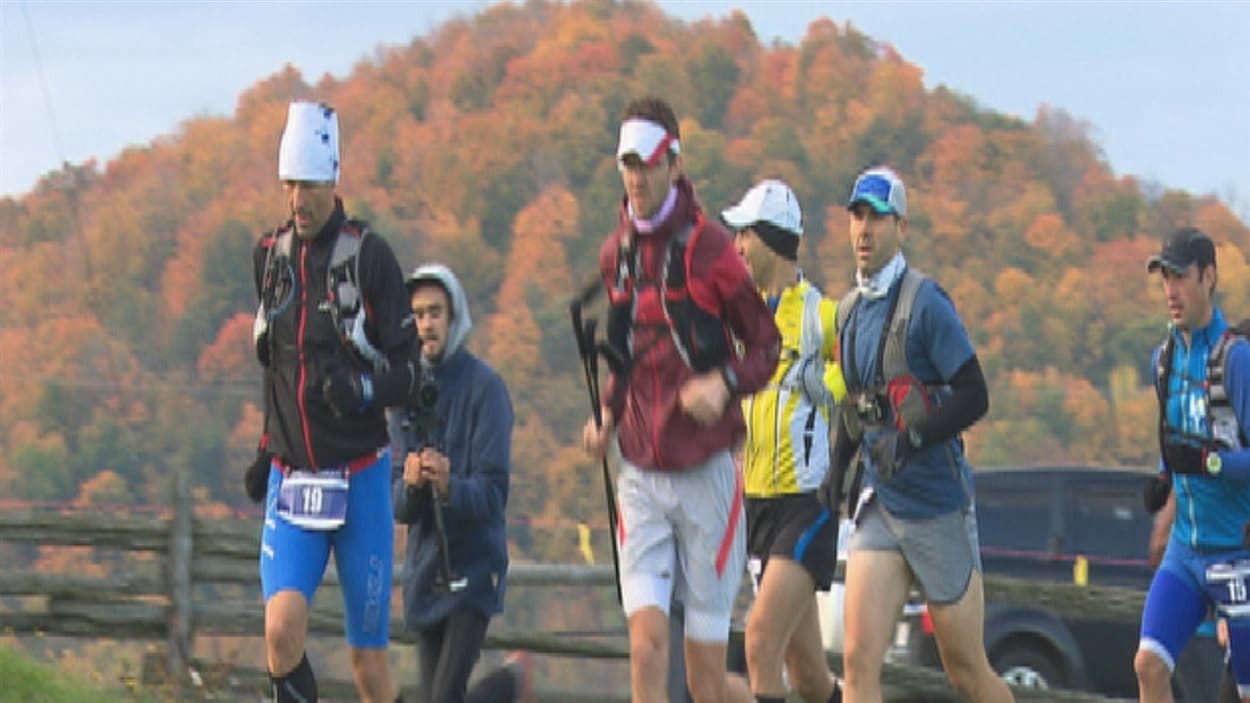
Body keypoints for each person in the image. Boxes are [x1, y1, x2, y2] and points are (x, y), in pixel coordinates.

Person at [581, 96, 781, 703]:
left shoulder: (713, 251)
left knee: (703, 676)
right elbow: (622, 354)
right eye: (626, 166)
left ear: (674, 163)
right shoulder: (616, 253)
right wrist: (608, 415)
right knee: (645, 646)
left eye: (645, 164)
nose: (635, 178)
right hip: (640, 474)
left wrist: (723, 384)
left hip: (707, 479)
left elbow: (766, 346)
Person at [247, 101, 419, 702]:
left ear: (334, 177)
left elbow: (412, 371)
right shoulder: (269, 259)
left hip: (359, 481)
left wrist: (362, 390)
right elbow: (277, 368)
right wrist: (266, 446)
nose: (299, 198)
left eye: (311, 183)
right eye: (290, 183)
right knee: (280, 629)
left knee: (368, 664)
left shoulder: (369, 257)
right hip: (292, 480)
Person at [821, 166, 1013, 703]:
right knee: (858, 663)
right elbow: (854, 407)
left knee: (966, 672)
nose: (864, 229)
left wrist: (913, 439)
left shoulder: (927, 303)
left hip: (936, 503)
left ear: (901, 227)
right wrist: (836, 474)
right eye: (856, 217)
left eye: (877, 219)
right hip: (880, 503)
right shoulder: (846, 312)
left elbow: (975, 394)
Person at [721, 179, 845, 703]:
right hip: (757, 505)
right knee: (810, 675)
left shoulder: (822, 314)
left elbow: (860, 376)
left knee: (759, 642)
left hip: (806, 501)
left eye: (743, 235)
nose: (736, 248)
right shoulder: (742, 319)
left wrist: (821, 385)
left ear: (768, 239)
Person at [388, 263, 524, 703]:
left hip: (474, 566)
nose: (426, 324)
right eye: (419, 315)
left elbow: (493, 494)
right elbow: (395, 504)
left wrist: (449, 485)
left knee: (444, 698)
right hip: (426, 571)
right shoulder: (404, 392)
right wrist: (410, 485)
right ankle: (509, 686)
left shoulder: (485, 389)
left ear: (453, 318)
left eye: (435, 313)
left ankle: (509, 685)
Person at [1134, 227, 1250, 703]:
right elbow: (1175, 437)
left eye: (1180, 277)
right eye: (1164, 278)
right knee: (1149, 665)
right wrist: (1165, 477)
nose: (1171, 291)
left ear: (1209, 278)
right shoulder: (1163, 361)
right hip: (1186, 553)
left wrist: (1211, 465)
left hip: (1236, 554)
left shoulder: (1236, 360)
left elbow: (1211, 458)